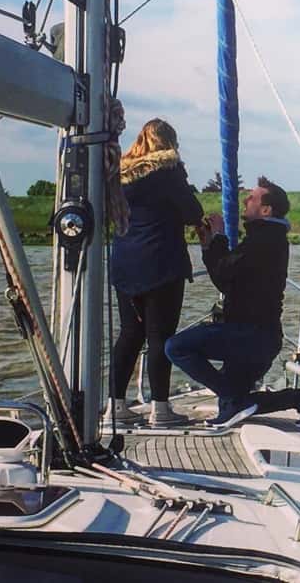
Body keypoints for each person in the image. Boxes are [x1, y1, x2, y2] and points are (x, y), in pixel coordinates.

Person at [165, 176, 300, 430]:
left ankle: (236, 398)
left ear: (266, 210)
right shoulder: (267, 237)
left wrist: (218, 237)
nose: (244, 200)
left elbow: (224, 274)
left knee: (176, 347)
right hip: (261, 338)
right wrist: (208, 246)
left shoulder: (263, 240)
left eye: (251, 198)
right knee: (229, 407)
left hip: (250, 337)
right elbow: (226, 278)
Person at [106, 119, 204, 428]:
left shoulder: (120, 175)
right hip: (162, 263)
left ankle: (115, 407)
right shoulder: (168, 171)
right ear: (169, 142)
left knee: (129, 334)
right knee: (160, 336)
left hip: (125, 263)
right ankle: (160, 409)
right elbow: (193, 212)